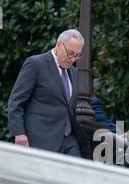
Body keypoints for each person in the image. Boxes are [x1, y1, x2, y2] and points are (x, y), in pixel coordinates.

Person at [7, 29, 90, 157]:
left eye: (77, 55)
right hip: (42, 140)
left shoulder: (74, 72)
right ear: (58, 45)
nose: (72, 59)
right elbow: (16, 101)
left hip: (69, 140)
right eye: (70, 53)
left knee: (76, 175)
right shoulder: (35, 64)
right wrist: (19, 133)